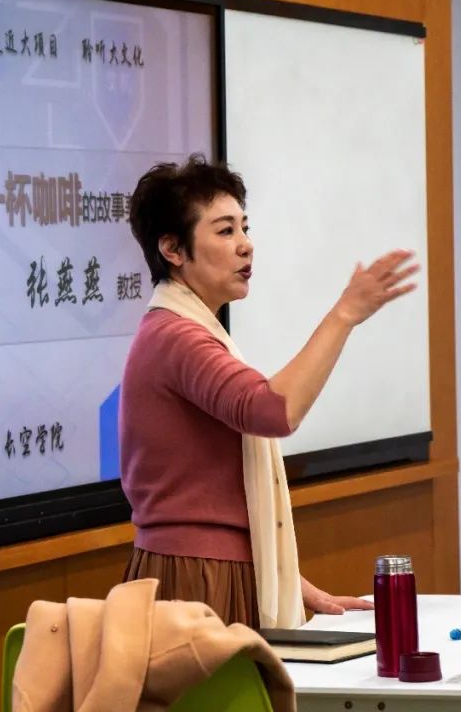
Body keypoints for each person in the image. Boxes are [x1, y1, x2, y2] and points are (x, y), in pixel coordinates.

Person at [119, 154, 419, 629]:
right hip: (197, 578)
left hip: (212, 568)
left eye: (245, 227)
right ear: (173, 249)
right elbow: (272, 409)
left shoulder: (187, 328)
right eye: (225, 231)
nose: (246, 245)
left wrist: (294, 586)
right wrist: (344, 315)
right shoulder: (176, 337)